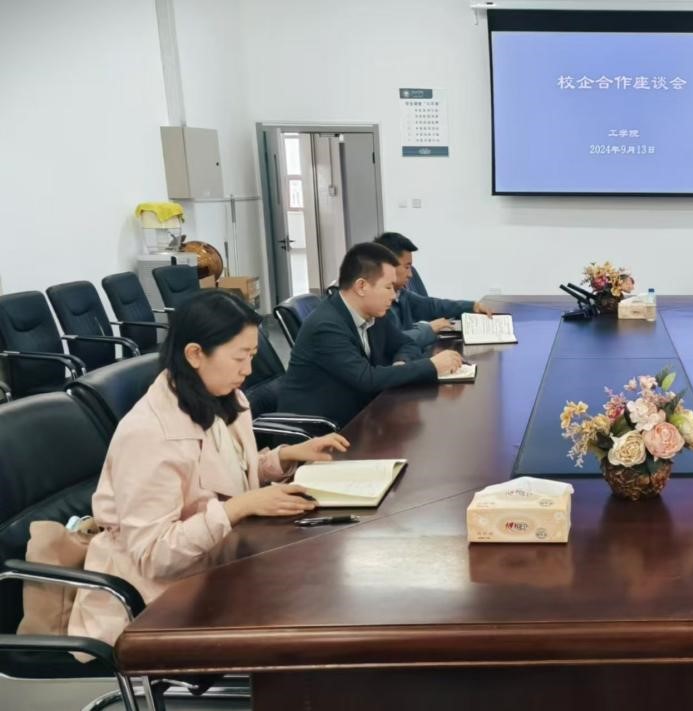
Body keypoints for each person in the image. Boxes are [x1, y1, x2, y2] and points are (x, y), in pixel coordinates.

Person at [67, 290, 350, 647]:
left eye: (252, 356)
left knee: (320, 582)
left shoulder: (223, 397)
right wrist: (237, 509)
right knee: (307, 616)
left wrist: (284, 456)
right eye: (239, 358)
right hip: (155, 600)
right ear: (195, 354)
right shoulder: (149, 433)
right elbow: (153, 556)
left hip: (220, 563)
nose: (248, 370)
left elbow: (226, 472)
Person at [278, 242, 463, 426]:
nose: (393, 296)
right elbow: (366, 379)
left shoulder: (373, 312)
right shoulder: (326, 326)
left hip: (362, 414)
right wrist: (432, 365)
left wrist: (401, 363)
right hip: (323, 429)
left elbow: (406, 344)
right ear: (361, 286)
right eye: (388, 287)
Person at [374, 232, 494, 352]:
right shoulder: (376, 304)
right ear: (387, 266)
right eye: (407, 267)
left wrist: (472, 306)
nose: (410, 274)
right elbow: (393, 342)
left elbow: (432, 306)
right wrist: (429, 329)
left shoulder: (401, 294)